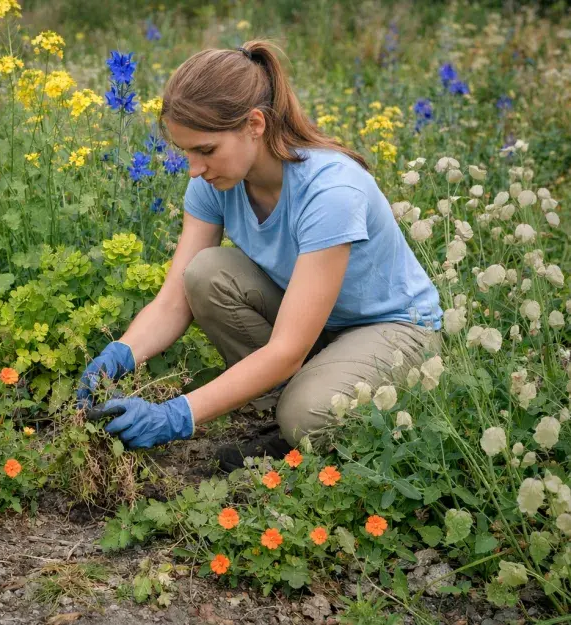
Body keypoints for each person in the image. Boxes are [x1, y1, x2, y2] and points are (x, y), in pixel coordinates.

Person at [76, 40, 443, 471]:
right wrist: (120, 353)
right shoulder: (214, 182)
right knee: (205, 274)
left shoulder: (330, 190)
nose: (194, 169)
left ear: (254, 124)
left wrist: (178, 416)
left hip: (393, 329)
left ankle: (302, 419)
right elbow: (175, 300)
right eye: (186, 152)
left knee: (306, 415)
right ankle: (286, 415)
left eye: (205, 150)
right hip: (315, 324)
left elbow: (287, 348)